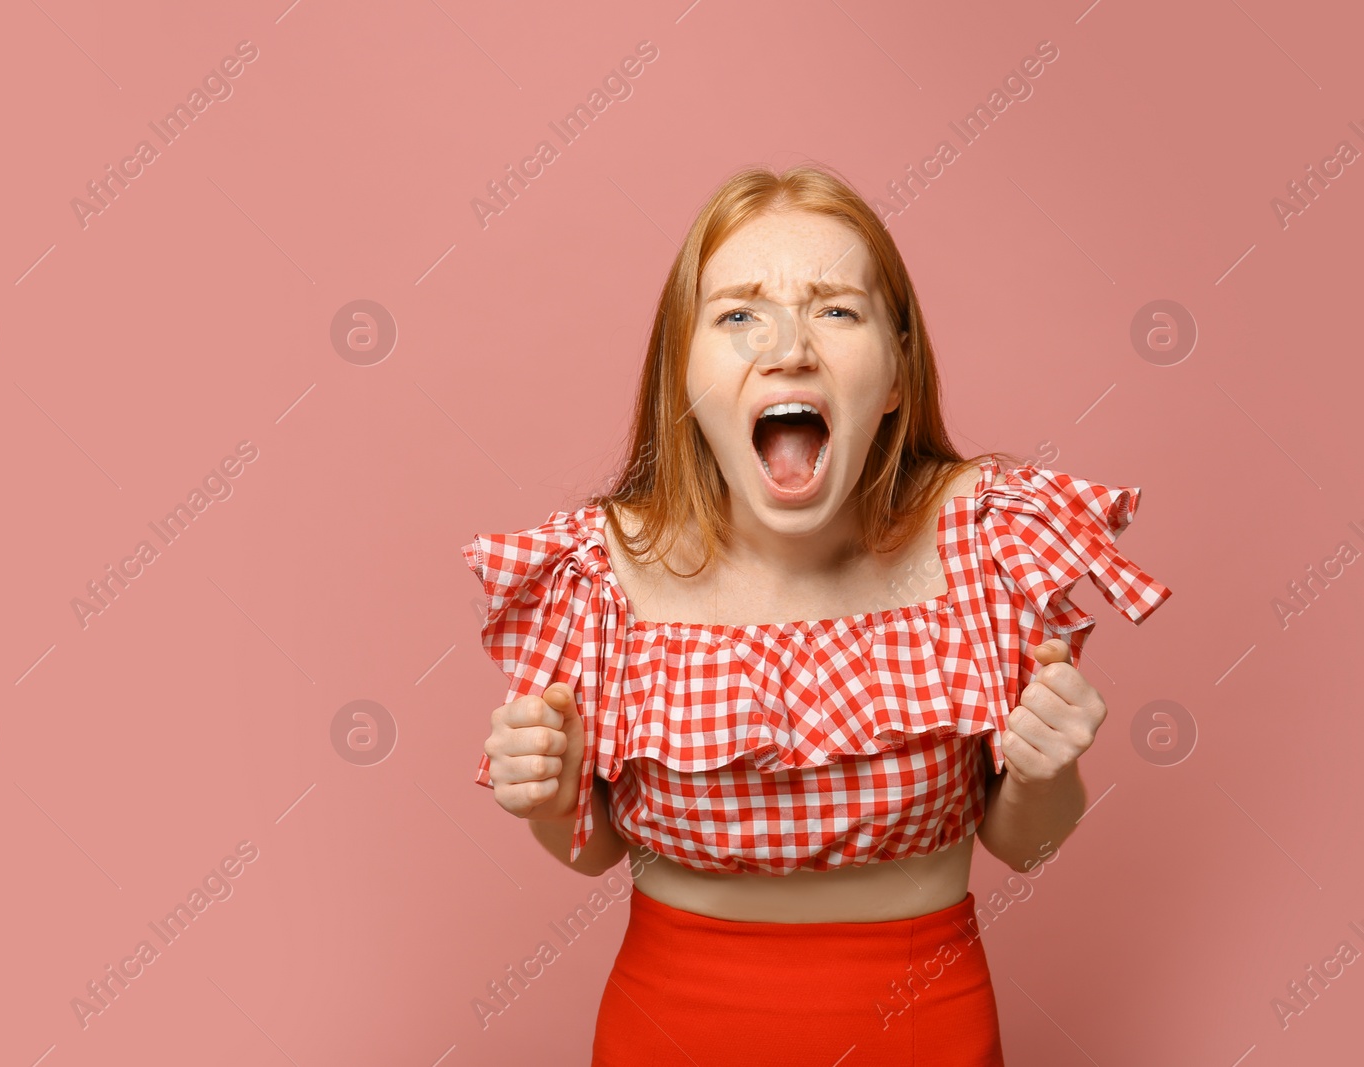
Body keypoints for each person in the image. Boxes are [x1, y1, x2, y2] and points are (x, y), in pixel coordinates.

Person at [462, 163, 1171, 1065]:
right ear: (684, 377)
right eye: (738, 314)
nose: (789, 347)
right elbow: (595, 851)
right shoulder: (597, 570)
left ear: (896, 378)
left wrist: (1046, 768)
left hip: (925, 1026)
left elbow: (1020, 846)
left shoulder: (986, 538)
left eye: (835, 309)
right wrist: (547, 799)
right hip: (670, 1026)